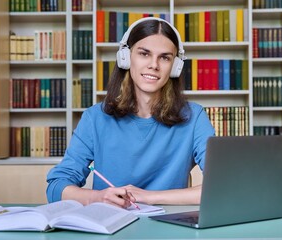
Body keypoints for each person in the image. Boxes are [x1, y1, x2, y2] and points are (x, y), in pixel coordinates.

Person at [46, 17, 215, 209]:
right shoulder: (95, 118)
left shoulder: (194, 117)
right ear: (125, 58)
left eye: (165, 57)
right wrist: (98, 197)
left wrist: (148, 197)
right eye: (144, 54)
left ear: (175, 67)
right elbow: (56, 187)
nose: (154, 65)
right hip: (110, 228)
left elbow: (221, 185)